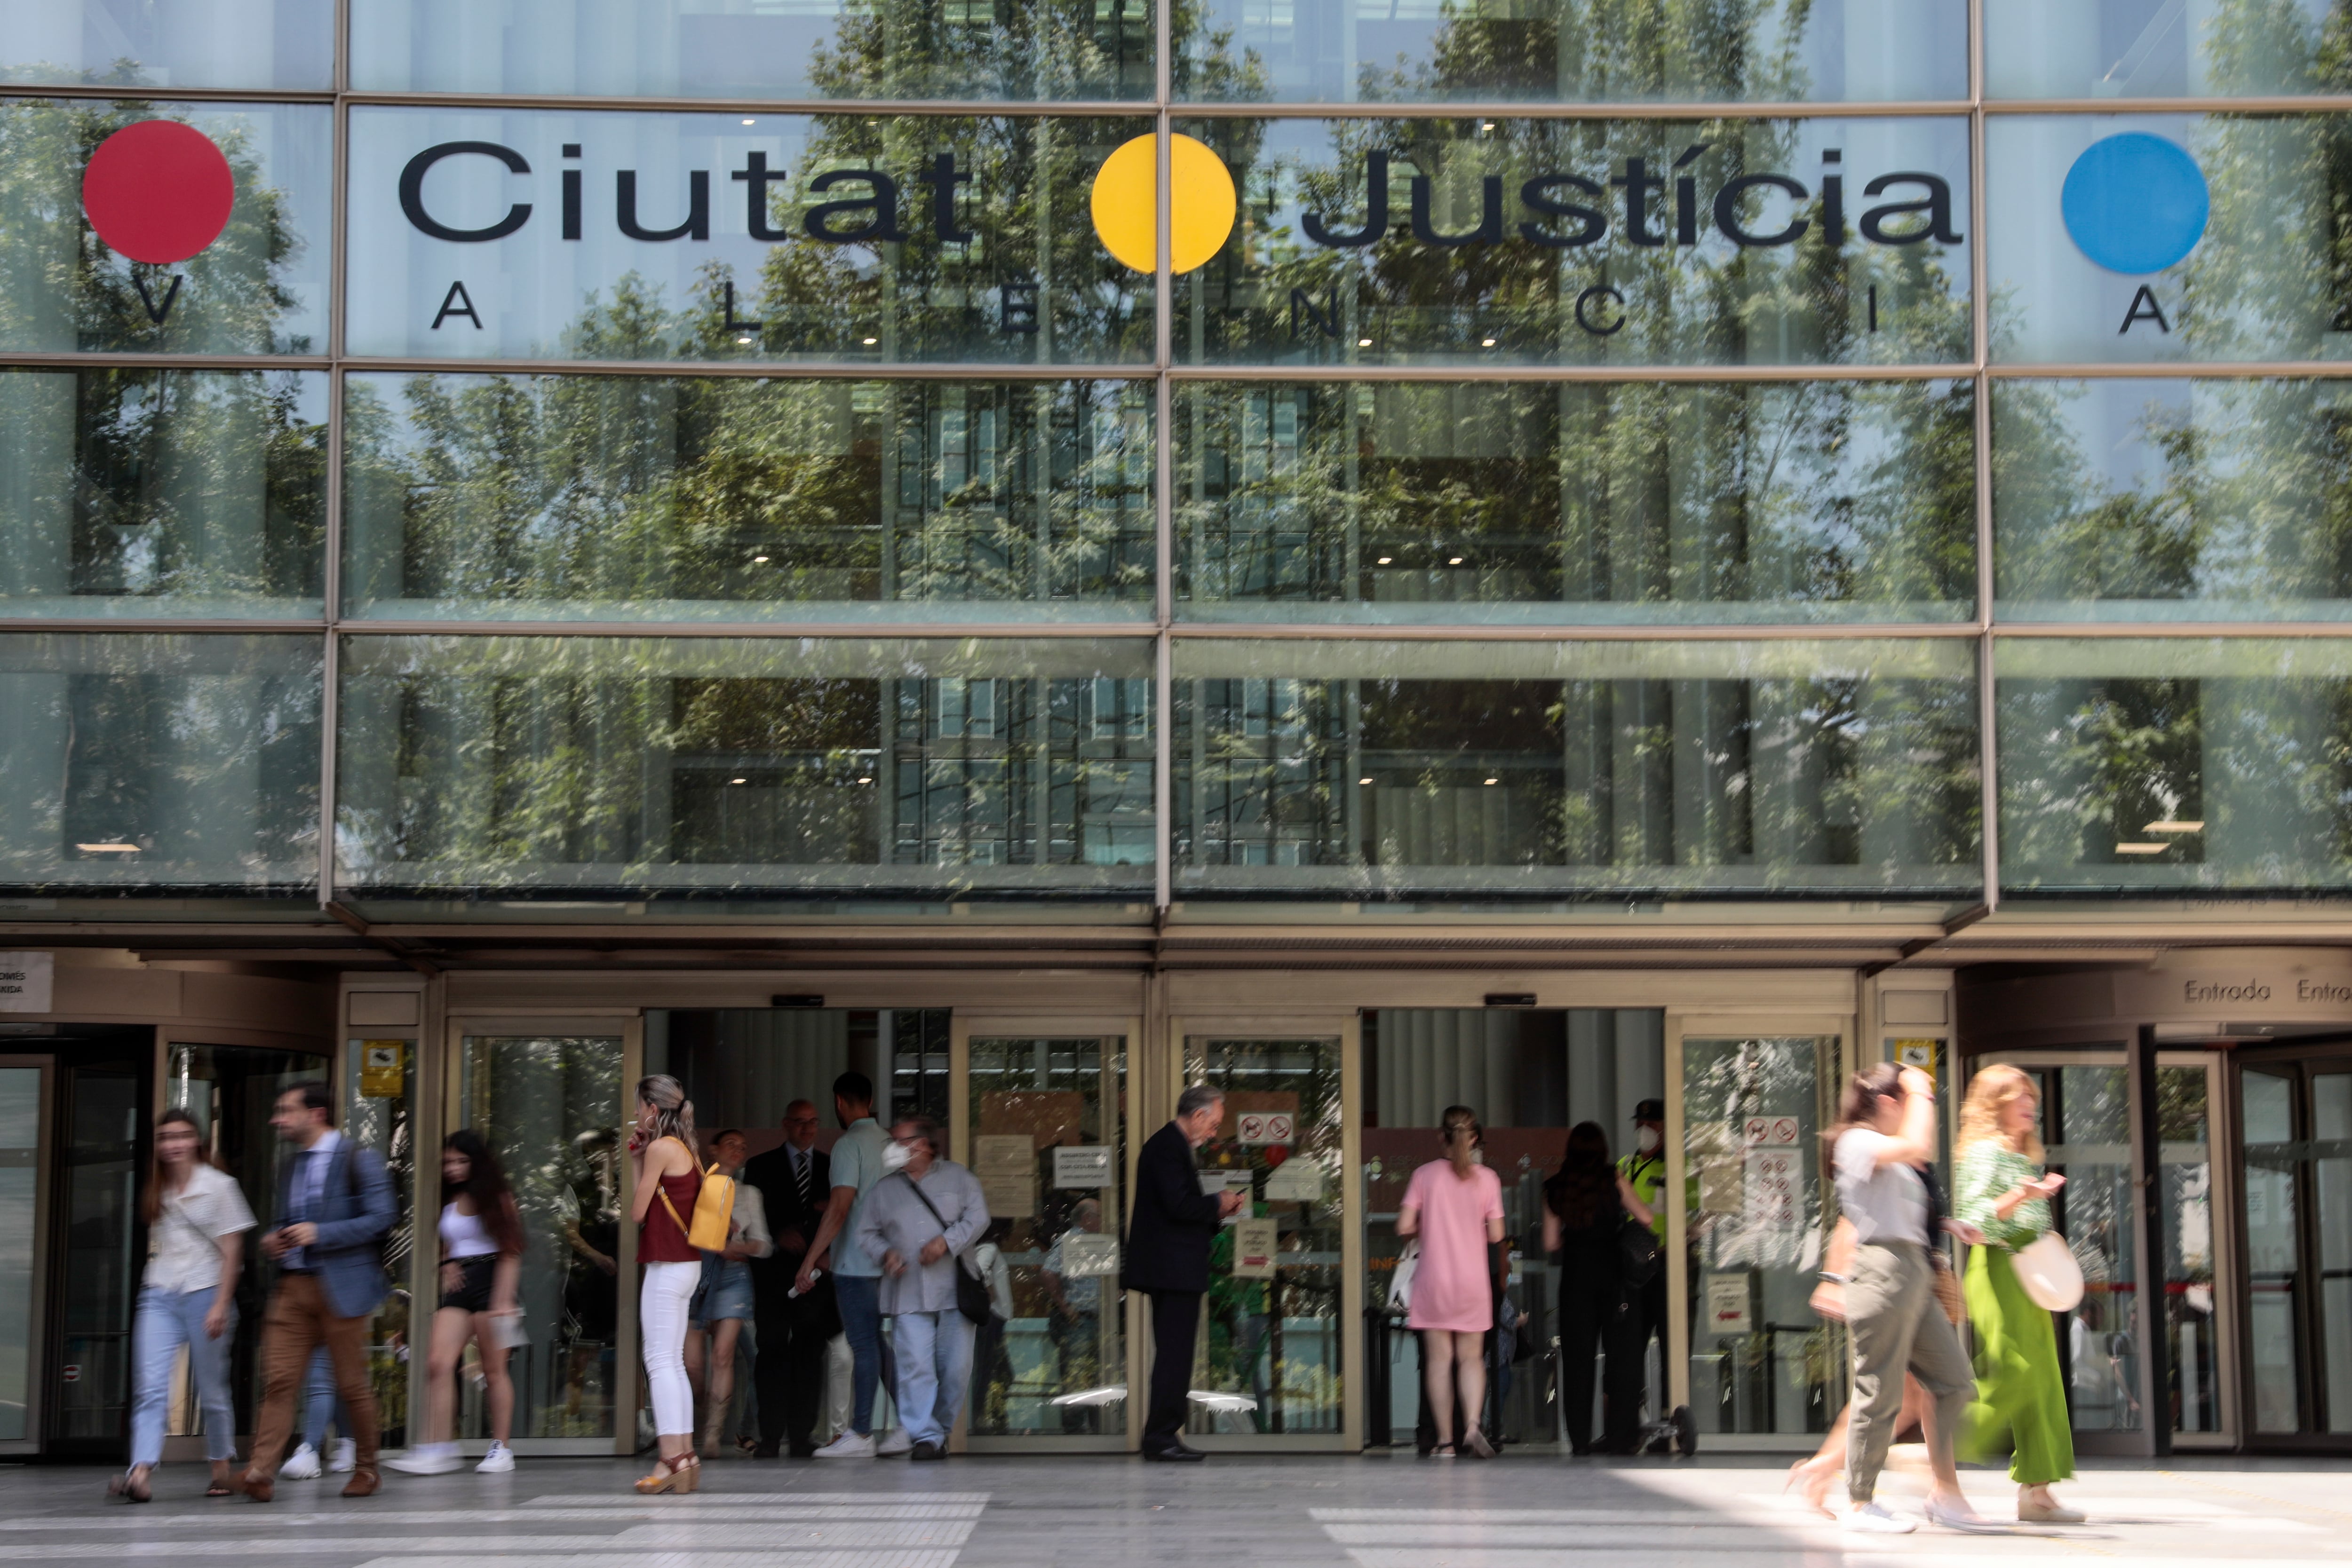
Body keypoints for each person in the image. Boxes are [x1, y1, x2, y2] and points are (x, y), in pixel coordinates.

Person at [1831, 1063, 1987, 1534]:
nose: (1916, 1109)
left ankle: (1943, 1491)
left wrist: (1945, 1226)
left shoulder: (1893, 1158)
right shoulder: (1856, 1141)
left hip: (1913, 1269)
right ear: (1887, 1103)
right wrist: (1921, 1089)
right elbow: (1917, 1145)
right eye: (1907, 1101)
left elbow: (1897, 1207)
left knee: (1954, 1381)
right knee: (1879, 1389)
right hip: (1881, 1271)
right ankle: (1858, 1501)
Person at [237, 1082, 396, 1503]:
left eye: (286, 1110)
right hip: (293, 1289)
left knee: (351, 1385)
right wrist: (274, 1239)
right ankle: (261, 1470)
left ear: (317, 1114)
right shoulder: (289, 1165)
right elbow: (284, 1220)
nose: (277, 1120)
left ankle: (367, 1469)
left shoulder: (359, 1160)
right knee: (280, 1381)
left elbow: (383, 1217)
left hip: (343, 1289)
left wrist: (321, 1233)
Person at [1955, 1064, 2081, 1524]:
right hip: (1997, 1267)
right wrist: (2021, 1196)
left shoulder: (2019, 1153)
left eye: (2030, 1097)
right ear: (1995, 1105)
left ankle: (2038, 1491)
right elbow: (1973, 1221)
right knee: (2016, 1370)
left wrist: (2031, 1193)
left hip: (2024, 1270)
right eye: (2018, 1097)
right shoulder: (1986, 1152)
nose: (2030, 1105)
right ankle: (1937, 1448)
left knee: (2042, 1378)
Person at [114, 1108, 254, 1503]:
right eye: (164, 1137)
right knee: (150, 1387)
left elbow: (233, 1252)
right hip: (158, 1292)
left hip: (206, 1292)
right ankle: (140, 1470)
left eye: (180, 1136)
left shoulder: (220, 1186)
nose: (172, 1144)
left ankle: (221, 1467)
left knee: (211, 1389)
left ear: (196, 1141)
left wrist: (221, 1305)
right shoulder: (157, 1187)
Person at [386, 1130, 526, 1476]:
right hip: (460, 1287)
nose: (453, 1168)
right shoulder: (449, 1197)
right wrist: (446, 1264)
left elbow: (512, 1250)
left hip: (493, 1283)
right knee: (436, 1362)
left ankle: (501, 1448)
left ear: (477, 1162)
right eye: (448, 1161)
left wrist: (503, 1300)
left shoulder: (497, 1196)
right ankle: (437, 1447)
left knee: (494, 1372)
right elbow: (450, 1241)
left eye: (461, 1161)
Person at [1123, 1083, 1247, 1462]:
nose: (1214, 1132)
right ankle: (1160, 1437)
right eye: (1213, 1124)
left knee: (1176, 1354)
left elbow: (1178, 1206)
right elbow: (1179, 1205)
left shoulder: (1171, 1147)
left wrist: (1216, 1211)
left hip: (1173, 1268)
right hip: (1171, 1270)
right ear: (1196, 1116)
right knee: (1175, 1355)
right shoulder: (1166, 1148)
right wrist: (1217, 1202)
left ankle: (1164, 1434)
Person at [855, 1115, 990, 1461]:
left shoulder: (959, 1178)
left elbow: (979, 1218)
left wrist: (946, 1243)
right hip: (907, 1291)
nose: (894, 1149)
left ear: (924, 1144)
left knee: (955, 1369)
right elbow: (865, 1233)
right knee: (916, 1367)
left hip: (954, 1292)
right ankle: (926, 1436)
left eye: (900, 1141)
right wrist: (885, 1254)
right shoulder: (885, 1189)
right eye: (893, 1142)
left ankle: (938, 1429)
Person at [800, 1071, 902, 1458]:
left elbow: (841, 1206)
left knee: (864, 1345)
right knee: (877, 1344)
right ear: (871, 1100)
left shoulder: (848, 1145)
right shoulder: (892, 1144)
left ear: (839, 1102)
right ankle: (914, 1420)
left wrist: (810, 1260)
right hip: (889, 1263)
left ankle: (861, 1433)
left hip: (857, 1264)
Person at [1395, 1106, 1505, 1458]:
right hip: (1473, 1283)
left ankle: (1445, 1442)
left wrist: (1430, 1225)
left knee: (1439, 1362)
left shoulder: (1424, 1176)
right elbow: (1498, 1234)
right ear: (1474, 1139)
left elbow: (1402, 1227)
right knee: (1471, 1359)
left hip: (1434, 1282)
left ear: (1440, 1136)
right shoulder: (1488, 1179)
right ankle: (1472, 1425)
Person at [1542, 1120, 1653, 1455]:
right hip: (1615, 1279)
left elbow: (1550, 1242)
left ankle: (1579, 1440)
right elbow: (1645, 1218)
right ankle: (1621, 1436)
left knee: (1578, 1362)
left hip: (1576, 1280)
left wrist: (1574, 1235)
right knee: (1621, 1358)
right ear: (1603, 1149)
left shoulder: (1555, 1187)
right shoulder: (1613, 1179)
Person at [742, 1098, 834, 1457]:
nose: (807, 1129)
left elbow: (842, 1214)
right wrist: (779, 1235)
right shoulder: (761, 1166)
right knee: (772, 1353)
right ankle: (769, 1436)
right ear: (785, 1124)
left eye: (813, 1122)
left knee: (810, 1354)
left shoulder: (830, 1167)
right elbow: (754, 1217)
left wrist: (826, 1255)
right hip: (774, 1276)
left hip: (816, 1276)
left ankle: (801, 1436)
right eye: (799, 1122)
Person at [628, 1073, 704, 1494]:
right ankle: (686, 1456)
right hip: (687, 1264)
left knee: (659, 1361)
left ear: (653, 1110)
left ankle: (669, 1458)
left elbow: (638, 1211)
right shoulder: (686, 1148)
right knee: (671, 1361)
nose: (637, 1114)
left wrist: (638, 1158)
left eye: (640, 1106)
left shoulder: (660, 1147)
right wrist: (641, 1157)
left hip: (665, 1266)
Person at [684, 1128, 771, 1458]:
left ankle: (712, 1435)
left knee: (723, 1355)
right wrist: (716, 1243)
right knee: (692, 1366)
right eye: (731, 1144)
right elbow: (683, 1233)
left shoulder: (749, 1194)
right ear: (713, 1150)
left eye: (743, 1146)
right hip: (696, 1275)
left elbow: (764, 1245)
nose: (738, 1150)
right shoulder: (695, 1187)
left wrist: (741, 1246)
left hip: (734, 1275)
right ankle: (701, 1409)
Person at [1616, 1098, 1669, 1404]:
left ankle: (1668, 1416)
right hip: (1633, 1270)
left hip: (1666, 1264)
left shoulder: (1679, 1166)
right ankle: (1631, 1417)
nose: (1645, 1129)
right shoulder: (1625, 1166)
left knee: (1671, 1346)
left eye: (1652, 1124)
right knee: (1630, 1345)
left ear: (1665, 1128)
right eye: (1641, 1123)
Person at [1042, 1198, 1105, 1429]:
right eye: (1100, 1216)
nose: (1104, 1221)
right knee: (1076, 1377)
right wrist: (1065, 1306)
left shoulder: (1098, 1242)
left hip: (1099, 1321)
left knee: (1097, 1376)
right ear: (1087, 1218)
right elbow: (1049, 1273)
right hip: (1079, 1321)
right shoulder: (1070, 1240)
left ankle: (1099, 1429)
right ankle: (1075, 1431)